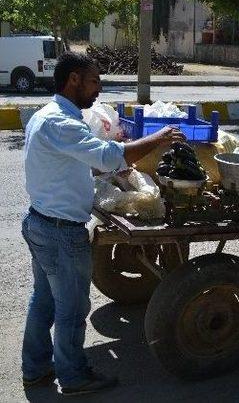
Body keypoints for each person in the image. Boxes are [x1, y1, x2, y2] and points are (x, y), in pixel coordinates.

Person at [21, 51, 185, 396]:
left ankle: (36, 369)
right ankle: (73, 376)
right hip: (59, 231)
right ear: (74, 80)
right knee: (72, 307)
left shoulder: (48, 115)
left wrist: (107, 166)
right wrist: (159, 138)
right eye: (94, 81)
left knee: (45, 301)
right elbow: (109, 155)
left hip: (42, 222)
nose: (99, 89)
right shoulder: (60, 122)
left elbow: (79, 161)